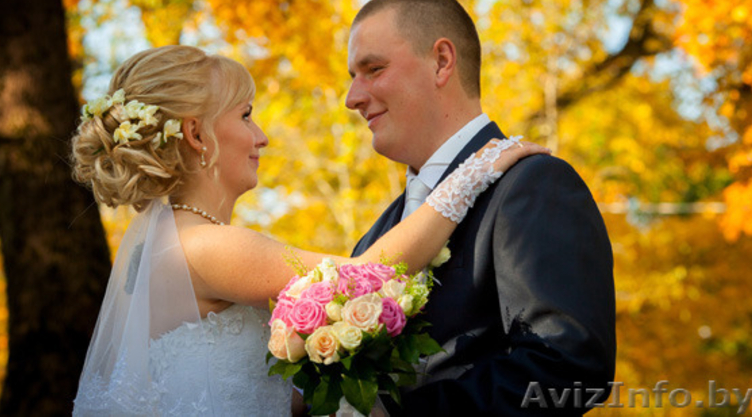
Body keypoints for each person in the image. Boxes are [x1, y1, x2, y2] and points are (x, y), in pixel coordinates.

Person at [69, 45, 548, 416]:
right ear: (197, 136)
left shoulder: (169, 245)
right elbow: (369, 274)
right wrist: (472, 173)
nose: (262, 137)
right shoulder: (201, 245)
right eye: (245, 115)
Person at [346, 0, 616, 416]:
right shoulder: (378, 237)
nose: (352, 99)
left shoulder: (533, 185)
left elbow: (570, 367)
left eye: (373, 69)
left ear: (441, 62)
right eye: (352, 78)